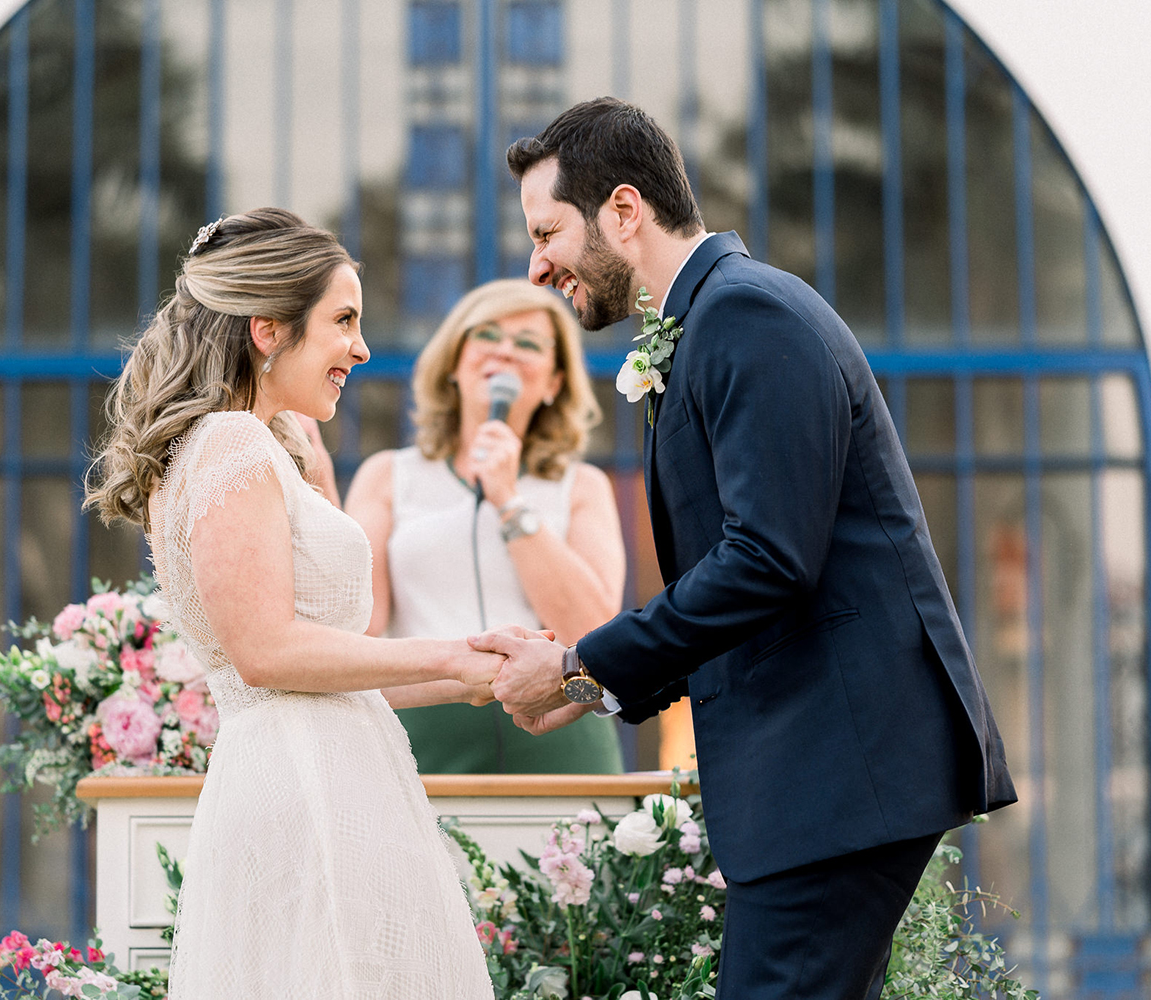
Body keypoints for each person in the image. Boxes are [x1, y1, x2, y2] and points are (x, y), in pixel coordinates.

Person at [474, 98, 1018, 1000]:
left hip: (837, 773)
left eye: (546, 231)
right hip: (821, 778)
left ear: (621, 210)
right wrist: (597, 679)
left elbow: (767, 560)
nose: (534, 265)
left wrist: (581, 667)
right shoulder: (712, 322)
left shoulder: (746, 317)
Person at [86, 208, 495, 999]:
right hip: (304, 783)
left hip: (331, 765)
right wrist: (446, 655)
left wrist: (473, 667)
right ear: (267, 329)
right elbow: (267, 652)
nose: (362, 349)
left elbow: (336, 659)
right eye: (343, 321)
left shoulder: (264, 445)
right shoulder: (231, 443)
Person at [345, 279, 626, 773]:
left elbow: (598, 634)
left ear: (554, 382)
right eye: (487, 335)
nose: (505, 352)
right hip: (422, 744)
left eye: (528, 344)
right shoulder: (388, 476)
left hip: (560, 740)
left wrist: (508, 500)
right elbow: (355, 636)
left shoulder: (582, 485)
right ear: (454, 362)